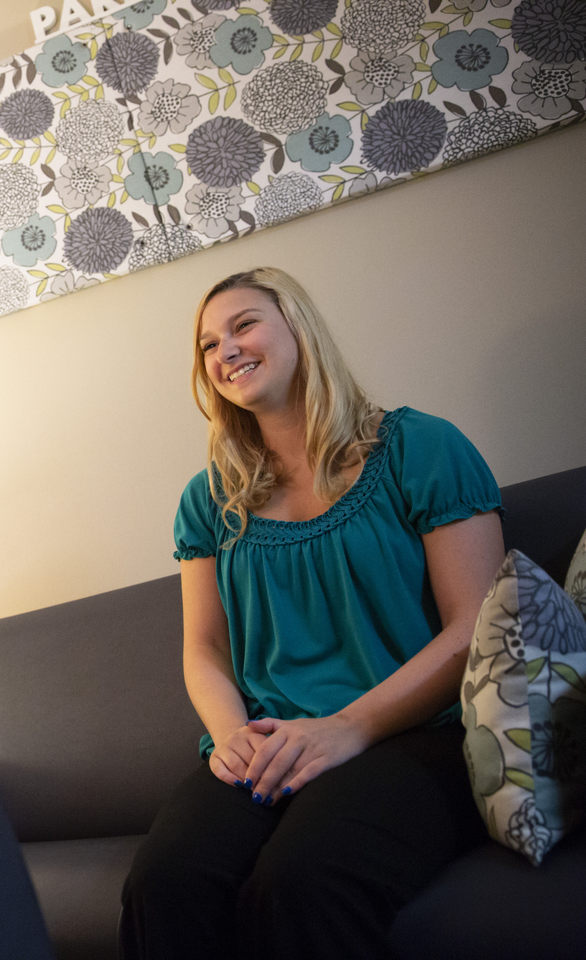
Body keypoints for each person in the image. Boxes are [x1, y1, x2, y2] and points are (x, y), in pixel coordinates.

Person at [119, 268, 504, 959]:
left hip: (410, 736)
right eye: (208, 344)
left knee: (302, 881)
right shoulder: (207, 501)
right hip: (265, 742)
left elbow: (474, 627)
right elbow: (204, 650)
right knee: (163, 883)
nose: (225, 350)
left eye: (244, 325)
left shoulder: (421, 449)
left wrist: (346, 730)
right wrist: (231, 737)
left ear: (300, 328)